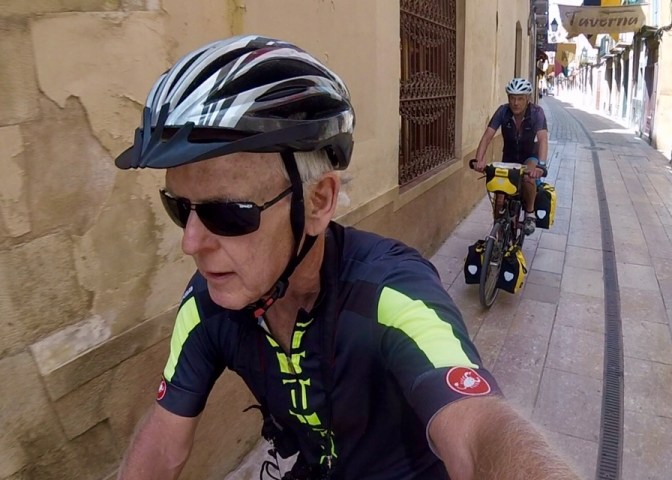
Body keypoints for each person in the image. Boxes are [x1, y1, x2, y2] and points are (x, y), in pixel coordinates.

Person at [114, 36, 578, 480]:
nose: (191, 242)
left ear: (318, 202)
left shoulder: (390, 294)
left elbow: (479, 431)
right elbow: (163, 445)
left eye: (227, 213)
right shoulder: (207, 302)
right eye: (179, 208)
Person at [474, 77, 549, 236]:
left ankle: (529, 213)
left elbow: (543, 139)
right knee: (499, 199)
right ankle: (498, 234)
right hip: (508, 158)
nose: (515, 103)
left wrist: (541, 165)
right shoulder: (503, 111)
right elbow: (487, 136)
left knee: (529, 178)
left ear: (527, 99)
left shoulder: (536, 113)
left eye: (520, 98)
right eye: (512, 98)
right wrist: (479, 159)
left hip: (529, 157)